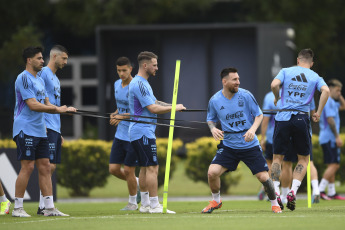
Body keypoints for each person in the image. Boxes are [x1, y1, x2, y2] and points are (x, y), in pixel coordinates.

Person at [204, 67, 282, 214]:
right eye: (235, 80)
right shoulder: (214, 100)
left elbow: (259, 115)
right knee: (212, 173)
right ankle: (216, 200)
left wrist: (252, 130)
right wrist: (213, 128)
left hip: (250, 145)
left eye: (238, 79)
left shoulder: (246, 96)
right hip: (228, 146)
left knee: (264, 177)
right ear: (224, 81)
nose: (238, 82)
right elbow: (210, 119)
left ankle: (274, 203)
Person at [12, 46, 76, 217]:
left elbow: (47, 104)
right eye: (39, 58)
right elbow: (32, 104)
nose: (42, 61)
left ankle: (48, 207)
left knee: (46, 167)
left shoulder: (39, 80)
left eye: (42, 58)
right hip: (25, 127)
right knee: (28, 167)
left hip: (40, 129)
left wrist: (63, 109)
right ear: (29, 60)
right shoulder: (23, 78)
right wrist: (59, 110)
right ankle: (18, 208)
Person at [270, 48, 330, 211]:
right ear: (311, 63)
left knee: (277, 159)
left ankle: (275, 191)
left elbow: (274, 84)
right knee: (303, 160)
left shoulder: (285, 71)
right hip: (301, 119)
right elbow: (326, 91)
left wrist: (277, 97)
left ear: (298, 60)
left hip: (282, 118)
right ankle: (293, 191)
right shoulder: (315, 76)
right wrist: (318, 112)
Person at [128, 51, 186, 214]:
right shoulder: (139, 83)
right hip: (142, 132)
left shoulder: (143, 83)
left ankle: (146, 204)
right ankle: (154, 205)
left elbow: (154, 102)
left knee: (146, 169)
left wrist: (174, 105)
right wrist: (173, 108)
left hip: (141, 132)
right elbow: (153, 108)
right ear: (145, 65)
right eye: (154, 65)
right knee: (153, 167)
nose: (157, 68)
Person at [36, 45, 73, 215]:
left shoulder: (56, 78)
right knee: (47, 166)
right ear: (54, 56)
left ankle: (43, 205)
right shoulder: (43, 73)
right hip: (46, 127)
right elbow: (40, 101)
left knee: (52, 166)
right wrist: (42, 125)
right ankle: (45, 206)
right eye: (63, 58)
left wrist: (59, 132)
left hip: (55, 128)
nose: (66, 61)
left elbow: (55, 106)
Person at [109, 57, 140, 211]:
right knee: (113, 169)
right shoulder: (116, 84)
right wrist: (115, 114)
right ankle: (137, 182)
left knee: (128, 170)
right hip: (119, 135)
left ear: (130, 69)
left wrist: (121, 117)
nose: (121, 73)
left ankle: (133, 203)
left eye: (124, 70)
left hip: (132, 134)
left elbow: (138, 112)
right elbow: (120, 107)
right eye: (118, 70)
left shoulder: (136, 86)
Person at [280, 100, 320, 204]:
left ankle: (284, 195)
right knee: (307, 162)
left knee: (286, 163)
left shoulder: (282, 94)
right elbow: (313, 114)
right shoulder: (309, 92)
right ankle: (315, 190)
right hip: (304, 130)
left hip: (287, 131)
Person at [318, 79, 345, 200]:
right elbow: (330, 120)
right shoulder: (328, 100)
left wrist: (339, 96)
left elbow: (344, 106)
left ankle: (332, 192)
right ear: (330, 89)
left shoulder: (333, 102)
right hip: (329, 138)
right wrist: (337, 137)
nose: (339, 93)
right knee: (335, 165)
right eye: (337, 90)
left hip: (328, 138)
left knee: (331, 165)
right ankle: (319, 190)